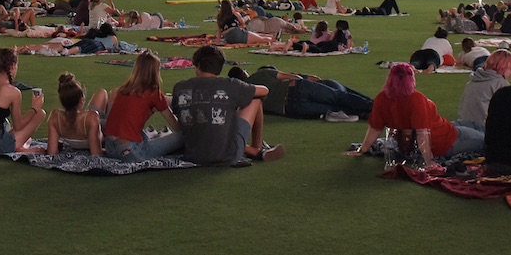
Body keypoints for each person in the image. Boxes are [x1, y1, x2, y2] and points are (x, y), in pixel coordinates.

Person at [169, 45, 283, 165]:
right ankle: (257, 147)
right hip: (228, 155)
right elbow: (264, 90)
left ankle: (253, 150)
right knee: (255, 99)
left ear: (197, 65)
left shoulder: (180, 87)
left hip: (192, 154)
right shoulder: (230, 85)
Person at [345, 62, 480, 163]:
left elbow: (375, 127)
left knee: (474, 125)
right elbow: (422, 134)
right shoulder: (415, 99)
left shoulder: (382, 98)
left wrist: (362, 150)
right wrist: (429, 162)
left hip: (444, 128)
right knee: (485, 140)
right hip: (445, 141)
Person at [102, 52, 185, 160]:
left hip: (110, 150)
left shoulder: (122, 90)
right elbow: (175, 125)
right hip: (131, 152)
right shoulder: (153, 93)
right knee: (184, 135)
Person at [241, 64, 372, 121]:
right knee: (338, 96)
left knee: (334, 108)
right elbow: (294, 78)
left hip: (292, 109)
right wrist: (307, 78)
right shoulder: (261, 74)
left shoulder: (245, 97)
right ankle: (374, 105)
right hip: (296, 88)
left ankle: (365, 114)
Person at [46, 72, 107, 154]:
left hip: (84, 122)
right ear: (81, 100)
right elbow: (96, 154)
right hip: (99, 128)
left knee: (101, 93)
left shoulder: (55, 117)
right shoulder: (92, 117)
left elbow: (52, 152)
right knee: (108, 95)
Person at [456, 49, 511, 131]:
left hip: (462, 125)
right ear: (502, 67)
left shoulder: (474, 79)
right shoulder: (500, 84)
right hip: (482, 129)